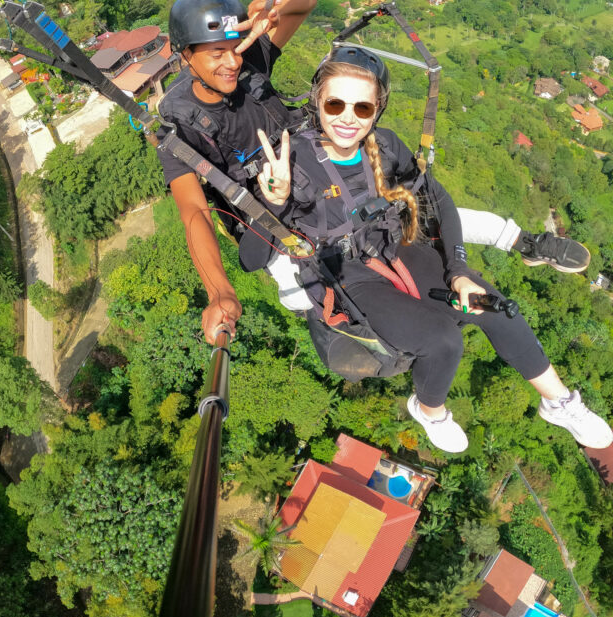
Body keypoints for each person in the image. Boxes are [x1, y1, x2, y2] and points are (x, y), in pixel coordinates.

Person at [156, 0, 590, 346]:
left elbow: (307, 0)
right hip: (271, 210)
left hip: (315, 157)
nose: (231, 61)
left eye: (235, 47)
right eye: (215, 53)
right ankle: (376, 318)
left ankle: (517, 241)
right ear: (184, 55)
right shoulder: (180, 122)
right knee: (304, 288)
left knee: (406, 201)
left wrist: (274, 8)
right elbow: (193, 209)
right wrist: (220, 291)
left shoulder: (246, 61)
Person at [251, 45, 612, 453]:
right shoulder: (292, 160)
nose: (348, 118)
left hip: (394, 246)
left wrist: (457, 270)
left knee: (492, 306)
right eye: (335, 103)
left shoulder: (385, 146)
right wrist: (273, 202)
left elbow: (439, 201)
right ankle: (430, 411)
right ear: (318, 100)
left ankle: (559, 402)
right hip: (347, 272)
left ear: (378, 110)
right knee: (443, 340)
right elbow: (251, 259)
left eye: (362, 108)